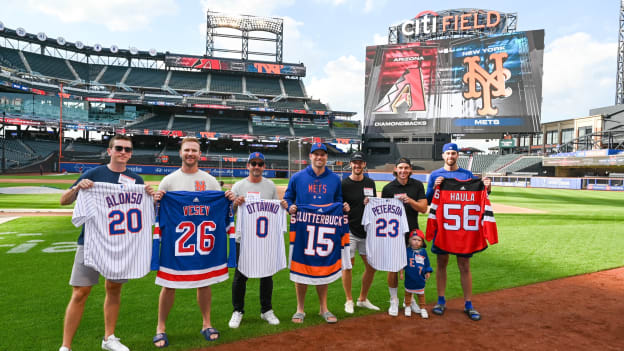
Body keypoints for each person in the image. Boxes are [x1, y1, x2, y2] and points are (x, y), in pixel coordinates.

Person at [59, 135, 156, 351]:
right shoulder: (94, 173)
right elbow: (63, 200)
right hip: (91, 242)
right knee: (80, 292)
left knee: (114, 289)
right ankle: (65, 346)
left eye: (127, 149)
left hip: (121, 245)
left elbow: (150, 214)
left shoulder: (136, 182)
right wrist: (77, 189)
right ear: (109, 150)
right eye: (119, 148)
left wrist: (151, 196)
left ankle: (109, 338)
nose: (123, 152)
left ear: (131, 154)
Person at [151, 137, 235, 347]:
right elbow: (157, 213)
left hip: (203, 243)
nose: (190, 154)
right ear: (180, 152)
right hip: (176, 243)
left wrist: (230, 199)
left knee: (204, 282)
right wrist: (156, 200)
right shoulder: (169, 181)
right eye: (187, 150)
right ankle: (160, 327)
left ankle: (207, 323)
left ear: (199, 154)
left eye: (194, 151)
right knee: (168, 284)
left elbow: (222, 211)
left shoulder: (209, 181)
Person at [283, 142, 349, 324]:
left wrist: (343, 206)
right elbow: (288, 198)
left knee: (323, 267)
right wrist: (290, 207)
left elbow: (338, 200)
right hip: (304, 229)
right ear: (310, 156)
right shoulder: (297, 177)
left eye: (323, 154)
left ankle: (323, 308)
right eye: (316, 154)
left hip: (326, 229)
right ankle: (300, 309)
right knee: (301, 268)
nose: (319, 157)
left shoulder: (335, 179)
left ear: (327, 157)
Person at [425, 142, 492, 321]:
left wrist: (487, 186)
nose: (451, 156)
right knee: (441, 263)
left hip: (463, 229)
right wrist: (434, 187)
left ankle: (468, 303)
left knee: (464, 265)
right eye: (448, 153)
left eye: (454, 153)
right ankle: (441, 301)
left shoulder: (467, 174)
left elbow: (479, 196)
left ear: (457, 156)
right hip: (443, 228)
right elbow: (428, 200)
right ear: (443, 155)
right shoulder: (435, 175)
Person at [228, 152, 288, 328]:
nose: (256, 166)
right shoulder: (238, 186)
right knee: (240, 276)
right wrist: (235, 204)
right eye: (253, 163)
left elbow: (276, 210)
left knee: (267, 274)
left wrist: (283, 207)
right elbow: (229, 212)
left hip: (264, 238)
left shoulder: (270, 186)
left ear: (264, 167)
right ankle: (237, 311)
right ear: (248, 166)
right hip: (244, 238)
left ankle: (266, 310)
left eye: (260, 163)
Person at [381, 157, 428, 316]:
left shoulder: (417, 185)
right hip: (394, 234)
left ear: (410, 170)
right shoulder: (388, 188)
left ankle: (410, 299)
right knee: (393, 268)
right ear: (395, 169)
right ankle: (393, 300)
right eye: (400, 167)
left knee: (413, 267)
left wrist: (410, 201)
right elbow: (382, 212)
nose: (403, 171)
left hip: (412, 233)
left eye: (406, 168)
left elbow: (423, 208)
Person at [340, 151, 379, 313]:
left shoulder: (370, 183)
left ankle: (362, 299)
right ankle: (349, 300)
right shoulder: (343, 184)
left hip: (367, 231)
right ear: (351, 164)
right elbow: (337, 204)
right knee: (348, 265)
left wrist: (370, 202)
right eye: (354, 162)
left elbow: (376, 205)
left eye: (360, 162)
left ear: (364, 165)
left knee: (371, 266)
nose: (357, 165)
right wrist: (343, 207)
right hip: (349, 229)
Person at [402, 229, 432, 318]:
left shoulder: (423, 252)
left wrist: (427, 271)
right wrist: (401, 273)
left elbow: (427, 263)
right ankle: (407, 306)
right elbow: (402, 263)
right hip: (409, 277)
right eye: (414, 239)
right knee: (408, 293)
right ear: (409, 240)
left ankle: (423, 308)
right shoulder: (406, 251)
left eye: (419, 240)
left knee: (421, 294)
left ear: (422, 242)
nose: (416, 242)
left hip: (420, 277)